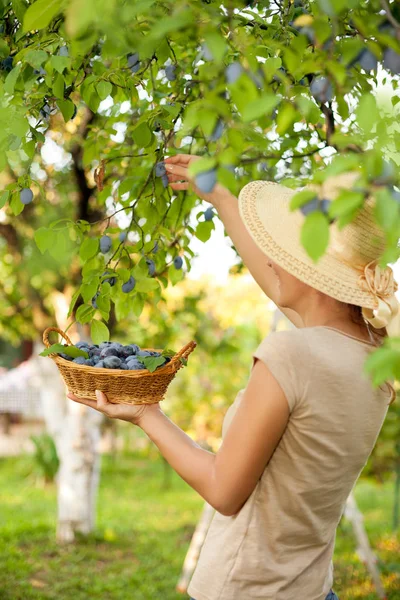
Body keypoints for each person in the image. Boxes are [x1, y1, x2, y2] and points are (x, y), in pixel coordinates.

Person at [67, 156, 399, 600]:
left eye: (285, 250)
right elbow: (289, 291)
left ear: (314, 273)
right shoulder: (373, 358)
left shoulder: (293, 353)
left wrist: (147, 415)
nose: (273, 260)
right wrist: (223, 197)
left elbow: (225, 491)